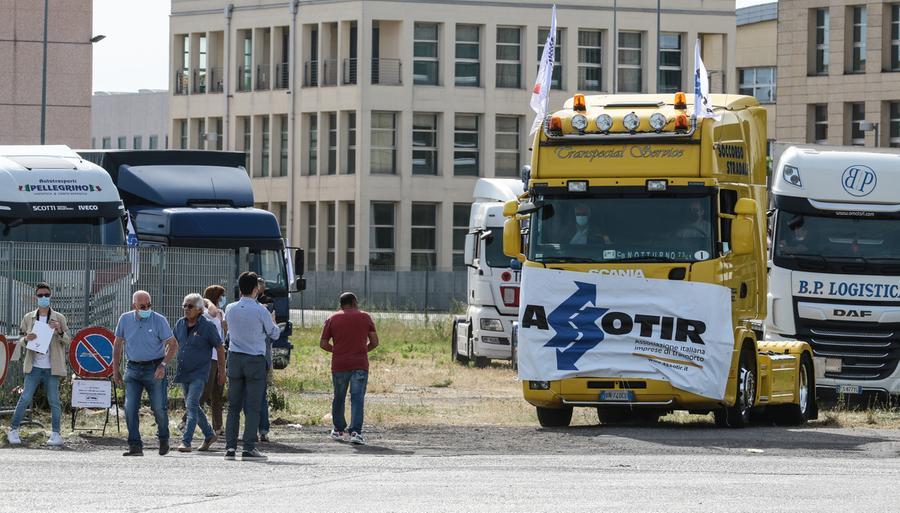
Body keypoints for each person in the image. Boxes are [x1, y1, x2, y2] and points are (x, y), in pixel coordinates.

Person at [223, 271, 281, 461]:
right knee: (253, 406)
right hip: (255, 359)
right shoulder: (261, 310)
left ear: (240, 289)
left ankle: (230, 447)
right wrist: (273, 323)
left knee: (233, 406)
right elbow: (274, 334)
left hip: (234, 357)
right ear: (256, 289)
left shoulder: (230, 308)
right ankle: (248, 447)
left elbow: (228, 329)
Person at [113, 290, 178, 457]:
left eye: (149, 305)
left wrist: (163, 365)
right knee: (129, 407)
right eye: (143, 306)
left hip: (154, 368)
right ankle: (135, 445)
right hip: (133, 369)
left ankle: (163, 438)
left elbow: (173, 344)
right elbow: (118, 344)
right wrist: (115, 370)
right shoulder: (125, 319)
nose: (147, 308)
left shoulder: (159, 320)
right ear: (134, 306)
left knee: (159, 408)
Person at [6, 283, 71, 447]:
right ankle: (13, 430)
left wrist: (59, 331)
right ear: (36, 297)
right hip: (33, 366)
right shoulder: (28, 317)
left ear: (50, 296)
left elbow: (68, 341)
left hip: (52, 367)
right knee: (25, 397)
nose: (43, 298)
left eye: (46, 295)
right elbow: (20, 340)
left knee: (54, 401)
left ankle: (56, 434)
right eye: (40, 295)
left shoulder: (59, 318)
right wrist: (27, 338)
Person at [320, 292, 379, 445]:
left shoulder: (332, 318)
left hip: (339, 364)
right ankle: (355, 432)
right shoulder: (365, 317)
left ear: (341, 304)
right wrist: (362, 350)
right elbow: (374, 342)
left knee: (339, 397)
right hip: (360, 364)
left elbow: (323, 343)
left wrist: (338, 351)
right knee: (357, 398)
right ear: (354, 302)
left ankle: (339, 429)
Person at [174, 293, 225, 453]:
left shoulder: (207, 326)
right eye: (184, 306)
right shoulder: (180, 324)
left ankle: (186, 441)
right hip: (184, 371)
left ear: (199, 309)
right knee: (193, 405)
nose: (186, 309)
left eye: (190, 306)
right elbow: (173, 343)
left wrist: (222, 371)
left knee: (192, 404)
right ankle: (209, 435)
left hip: (200, 372)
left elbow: (220, 348)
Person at [202, 285, 228, 436]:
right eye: (221, 296)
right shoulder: (207, 312)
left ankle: (218, 426)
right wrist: (206, 301)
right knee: (205, 392)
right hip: (209, 357)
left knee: (218, 392)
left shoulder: (221, 313)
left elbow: (224, 333)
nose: (223, 299)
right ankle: (186, 420)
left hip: (219, 356)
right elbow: (212, 312)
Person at [256, 276, 275, 443]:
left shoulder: (234, 308)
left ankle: (251, 430)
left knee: (244, 397)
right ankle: (263, 430)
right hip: (261, 357)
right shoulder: (265, 309)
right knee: (261, 395)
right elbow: (274, 332)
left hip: (240, 357)